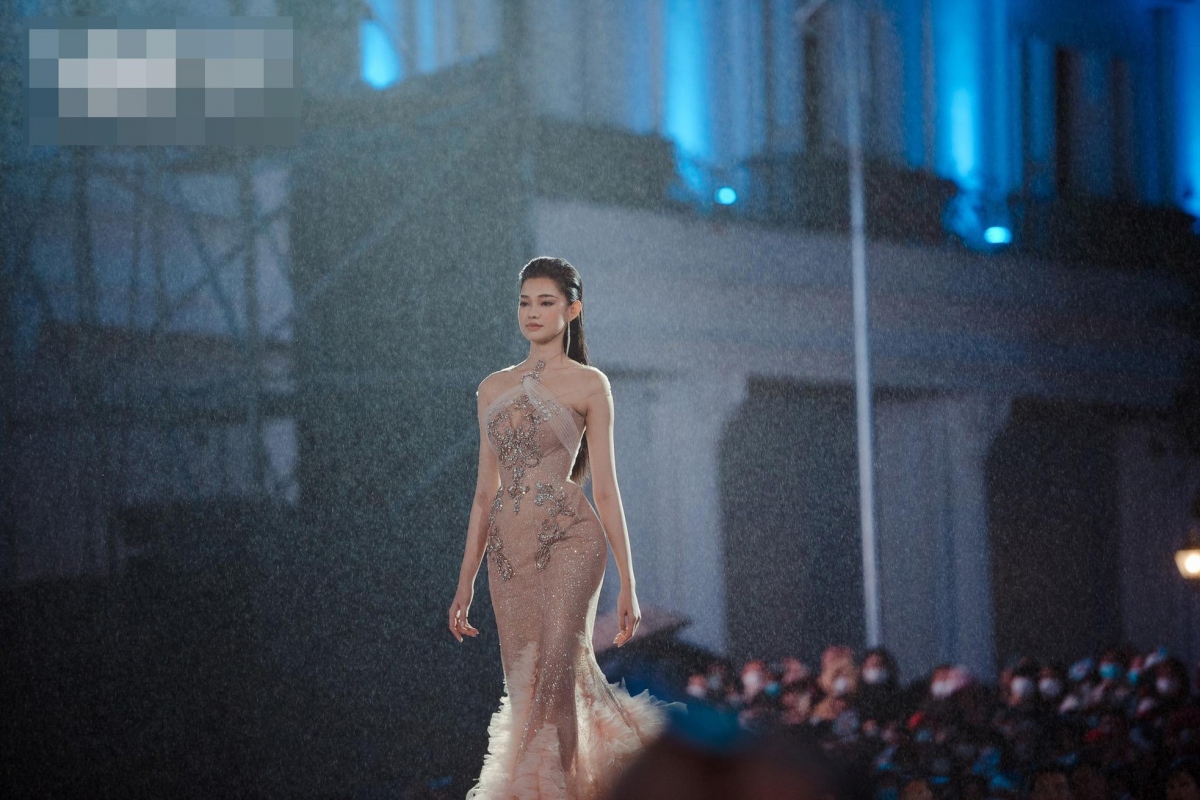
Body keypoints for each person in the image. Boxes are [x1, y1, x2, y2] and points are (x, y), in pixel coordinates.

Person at [450, 257, 684, 799]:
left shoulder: (589, 383)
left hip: (571, 538)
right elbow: (484, 493)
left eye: (546, 302)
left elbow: (605, 487)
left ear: (572, 309)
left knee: (556, 667)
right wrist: (464, 581)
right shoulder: (492, 388)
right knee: (530, 684)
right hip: (508, 550)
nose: (532, 313)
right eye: (525, 302)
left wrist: (628, 580)